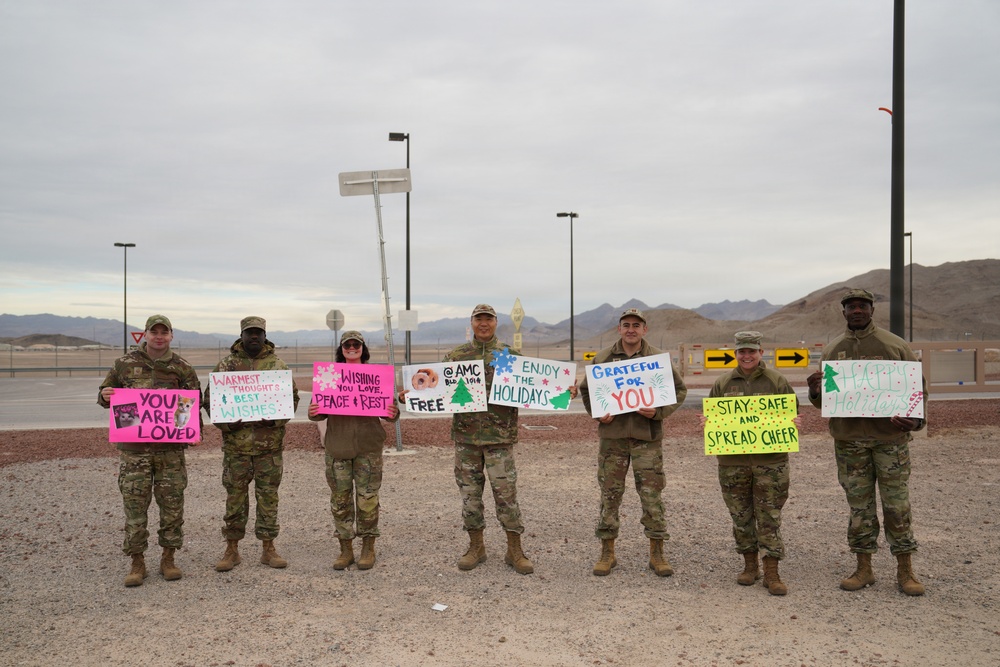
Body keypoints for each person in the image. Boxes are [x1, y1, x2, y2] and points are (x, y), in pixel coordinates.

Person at [400, 304, 558, 575]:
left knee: (506, 496)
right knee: (470, 497)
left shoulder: (509, 356)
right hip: (467, 439)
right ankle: (476, 547)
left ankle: (515, 550)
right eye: (478, 319)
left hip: (499, 439)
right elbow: (433, 388)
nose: (483, 324)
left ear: (496, 322)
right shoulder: (456, 356)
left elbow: (533, 387)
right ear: (472, 323)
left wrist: (561, 391)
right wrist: (411, 395)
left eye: (488, 319)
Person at [806, 288, 927, 596]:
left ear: (872, 310)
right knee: (859, 507)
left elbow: (917, 390)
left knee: (897, 506)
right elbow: (825, 404)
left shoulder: (894, 345)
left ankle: (905, 570)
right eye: (851, 307)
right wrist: (816, 392)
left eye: (862, 306)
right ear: (843, 312)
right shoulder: (834, 350)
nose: (856, 311)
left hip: (890, 441)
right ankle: (864, 568)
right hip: (850, 442)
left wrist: (916, 420)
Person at [579, 308, 688, 577]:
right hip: (612, 439)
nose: (630, 329)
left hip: (646, 439)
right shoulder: (603, 359)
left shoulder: (656, 360)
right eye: (626, 325)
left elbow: (679, 390)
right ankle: (607, 552)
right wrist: (598, 414)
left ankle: (657, 552)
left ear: (644, 330)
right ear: (619, 329)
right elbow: (586, 390)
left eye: (636, 325)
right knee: (610, 495)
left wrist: (659, 412)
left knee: (652, 496)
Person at [98, 314, 200, 587]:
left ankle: (168, 558)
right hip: (135, 451)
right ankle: (137, 562)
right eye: (153, 331)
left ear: (171, 335)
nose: (158, 336)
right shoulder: (124, 364)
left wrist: (194, 431)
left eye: (163, 332)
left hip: (170, 452)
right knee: (135, 506)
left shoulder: (182, 368)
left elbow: (192, 404)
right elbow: (104, 395)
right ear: (144, 334)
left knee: (172, 505)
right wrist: (106, 394)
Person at [703, 331, 797, 595]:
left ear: (760, 352)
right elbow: (712, 416)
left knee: (769, 516)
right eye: (742, 352)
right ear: (736, 353)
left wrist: (793, 422)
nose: (746, 356)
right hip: (733, 463)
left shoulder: (777, 380)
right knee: (741, 515)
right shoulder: (723, 383)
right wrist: (707, 423)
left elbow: (793, 413)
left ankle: (771, 571)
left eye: (751, 351)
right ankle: (749, 566)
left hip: (771, 462)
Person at [204, 316, 299, 572]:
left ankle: (268, 548)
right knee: (235, 499)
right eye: (250, 333)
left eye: (258, 332)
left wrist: (275, 420)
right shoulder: (226, 367)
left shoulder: (277, 365)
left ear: (264, 335)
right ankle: (231, 549)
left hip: (269, 449)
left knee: (268, 498)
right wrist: (226, 424)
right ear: (242, 335)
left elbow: (292, 399)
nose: (254, 337)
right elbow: (209, 401)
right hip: (237, 449)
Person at [308, 330, 399, 570]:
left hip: (368, 447)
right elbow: (319, 411)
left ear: (362, 348)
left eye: (355, 344)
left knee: (368, 499)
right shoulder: (329, 376)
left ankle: (368, 548)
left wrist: (393, 412)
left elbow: (390, 411)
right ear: (341, 348)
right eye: (347, 344)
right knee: (340, 500)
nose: (351, 347)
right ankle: (345, 549)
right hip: (338, 446)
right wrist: (314, 411)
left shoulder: (376, 377)